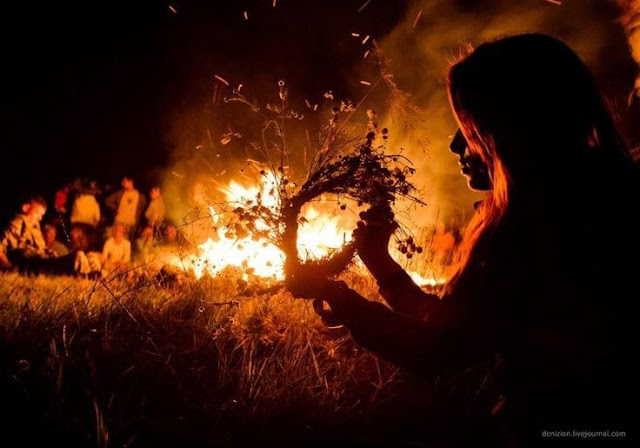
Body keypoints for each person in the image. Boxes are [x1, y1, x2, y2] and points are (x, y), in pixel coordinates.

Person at [291, 34, 637, 445]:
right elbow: (463, 325)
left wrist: (345, 301)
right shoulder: (602, 190)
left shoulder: (538, 224)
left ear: (512, 127)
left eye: (470, 126)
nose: (456, 144)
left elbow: (440, 350)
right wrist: (381, 266)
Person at [0, 196, 92, 275]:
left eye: (41, 215)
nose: (40, 218)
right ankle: (85, 274)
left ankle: (90, 273)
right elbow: (2, 246)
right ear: (26, 208)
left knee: (88, 256)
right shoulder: (19, 223)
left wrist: (47, 251)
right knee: (77, 256)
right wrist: (8, 265)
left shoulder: (34, 227)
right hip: (34, 262)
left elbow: (40, 248)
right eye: (37, 214)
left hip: (42, 259)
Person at [105, 176, 146, 240]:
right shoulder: (120, 193)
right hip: (119, 221)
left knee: (127, 242)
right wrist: (115, 208)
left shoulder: (140, 197)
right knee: (114, 240)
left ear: (130, 182)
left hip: (131, 223)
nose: (122, 183)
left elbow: (142, 208)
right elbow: (107, 201)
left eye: (124, 181)